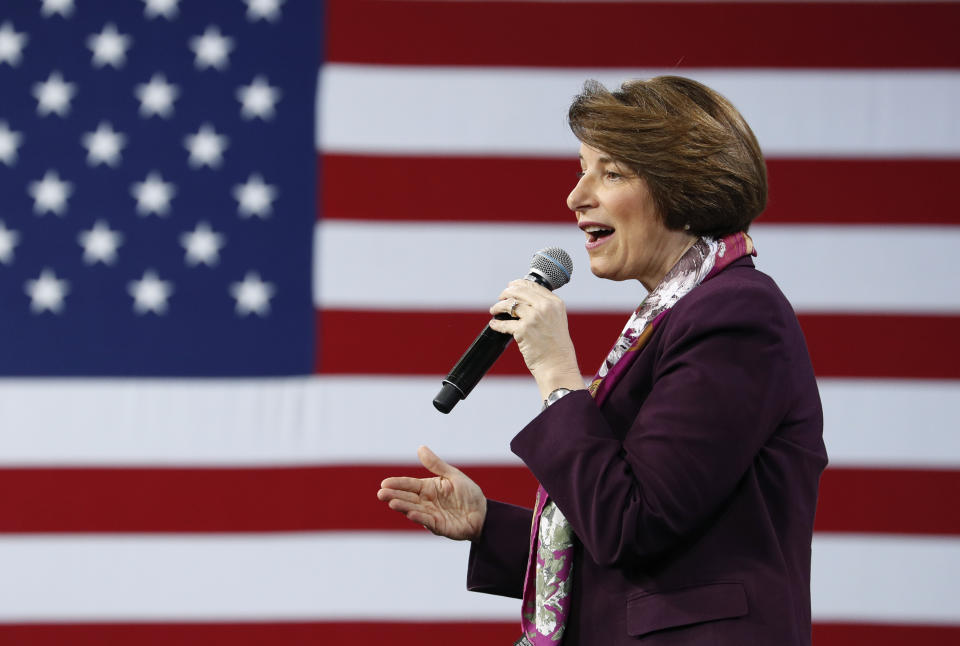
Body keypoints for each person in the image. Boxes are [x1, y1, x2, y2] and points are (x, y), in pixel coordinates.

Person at [377, 76, 827, 645]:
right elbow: (641, 552)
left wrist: (559, 376)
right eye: (581, 169)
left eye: (610, 173)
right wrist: (490, 526)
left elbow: (634, 524)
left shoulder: (735, 313)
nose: (576, 197)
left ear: (682, 187)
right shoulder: (680, 311)